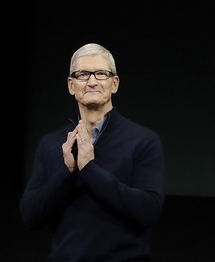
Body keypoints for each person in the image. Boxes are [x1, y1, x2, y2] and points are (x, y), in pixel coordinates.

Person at [20, 42, 165, 261]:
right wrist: (67, 172)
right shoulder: (52, 144)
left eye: (100, 74)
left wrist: (89, 169)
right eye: (83, 75)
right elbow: (30, 215)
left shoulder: (143, 141)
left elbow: (149, 210)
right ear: (71, 85)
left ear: (114, 83)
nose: (92, 82)